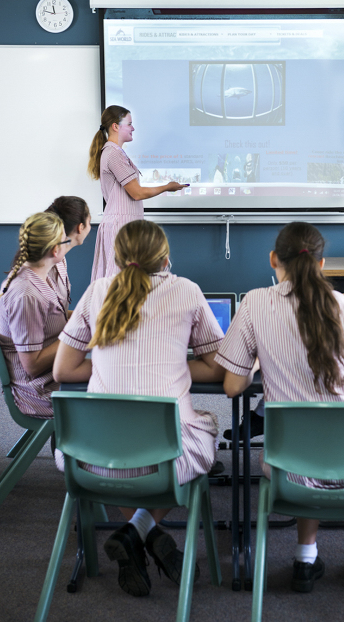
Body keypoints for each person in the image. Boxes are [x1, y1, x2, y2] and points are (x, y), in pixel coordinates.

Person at [215, 221, 344, 594]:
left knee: (306, 449)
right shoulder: (341, 305)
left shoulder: (255, 302)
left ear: (274, 259)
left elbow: (233, 386)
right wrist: (337, 370)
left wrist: (257, 360)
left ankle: (305, 558)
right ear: (322, 265)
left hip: (290, 465)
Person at [53, 219, 225, 598]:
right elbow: (216, 366)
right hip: (166, 458)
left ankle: (135, 531)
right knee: (203, 439)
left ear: (116, 258)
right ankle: (140, 530)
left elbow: (63, 369)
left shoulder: (97, 290)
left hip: (90, 458)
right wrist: (175, 364)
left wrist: (105, 362)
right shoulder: (187, 291)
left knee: (120, 460)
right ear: (165, 259)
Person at [88, 105, 188, 282]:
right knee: (119, 282)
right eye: (129, 123)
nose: (133, 128)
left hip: (125, 224)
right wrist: (167, 187)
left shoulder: (115, 152)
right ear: (115, 126)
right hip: (121, 225)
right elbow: (137, 193)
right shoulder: (113, 154)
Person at [0, 212, 70, 418]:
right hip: (37, 392)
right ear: (55, 249)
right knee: (113, 385)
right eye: (65, 240)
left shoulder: (41, 277)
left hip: (53, 373)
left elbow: (52, 321)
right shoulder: (26, 295)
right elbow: (32, 366)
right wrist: (77, 334)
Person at [45, 196, 92, 314]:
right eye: (89, 222)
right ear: (80, 228)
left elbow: (59, 314)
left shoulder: (61, 260)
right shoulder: (46, 265)